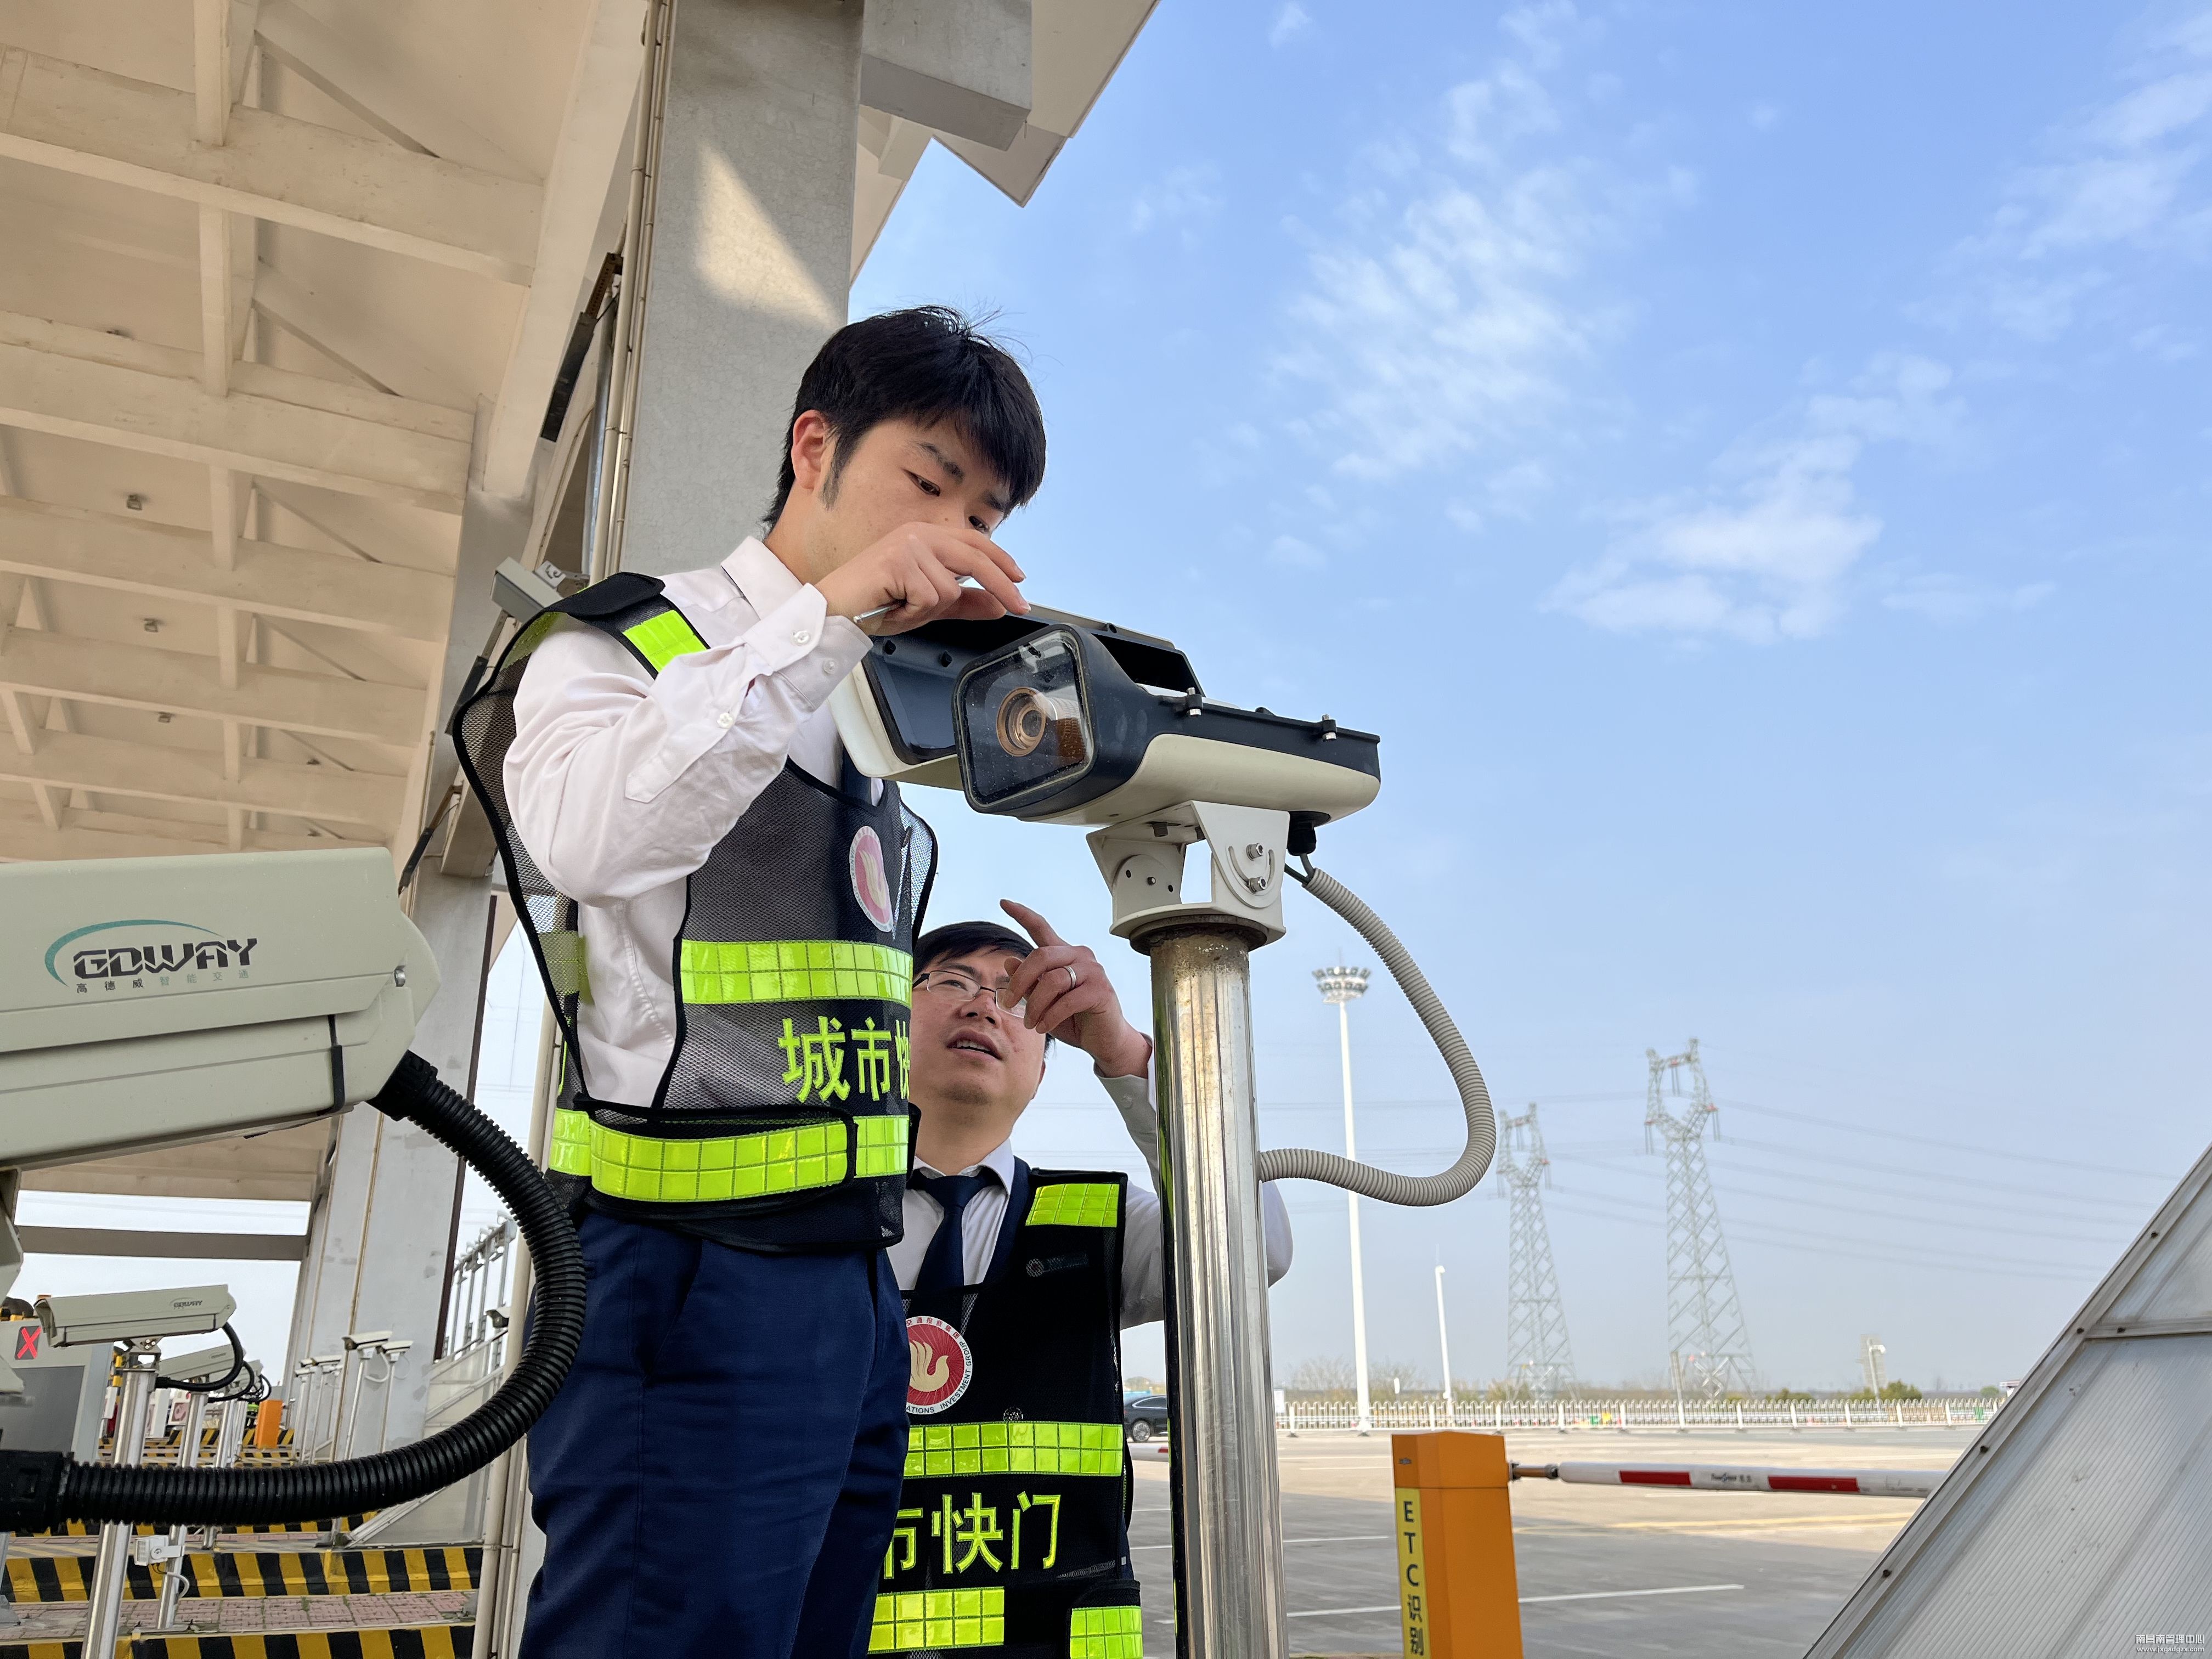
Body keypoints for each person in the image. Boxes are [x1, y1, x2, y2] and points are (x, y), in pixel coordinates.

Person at [450, 308, 1046, 1658]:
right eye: (930, 483)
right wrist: (828, 616)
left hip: (850, 1287)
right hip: (684, 1269)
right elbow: (591, 839)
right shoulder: (624, 642)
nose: (955, 531)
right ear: (814, 448)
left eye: (986, 513)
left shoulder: (878, 718)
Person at [874, 904, 1293, 1657]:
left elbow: (1252, 1248)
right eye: (951, 982)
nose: (983, 1005)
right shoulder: (810, 1217)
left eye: (1012, 995)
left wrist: (1126, 1053)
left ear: (1043, 1063)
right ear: (887, 1023)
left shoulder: (1100, 1222)